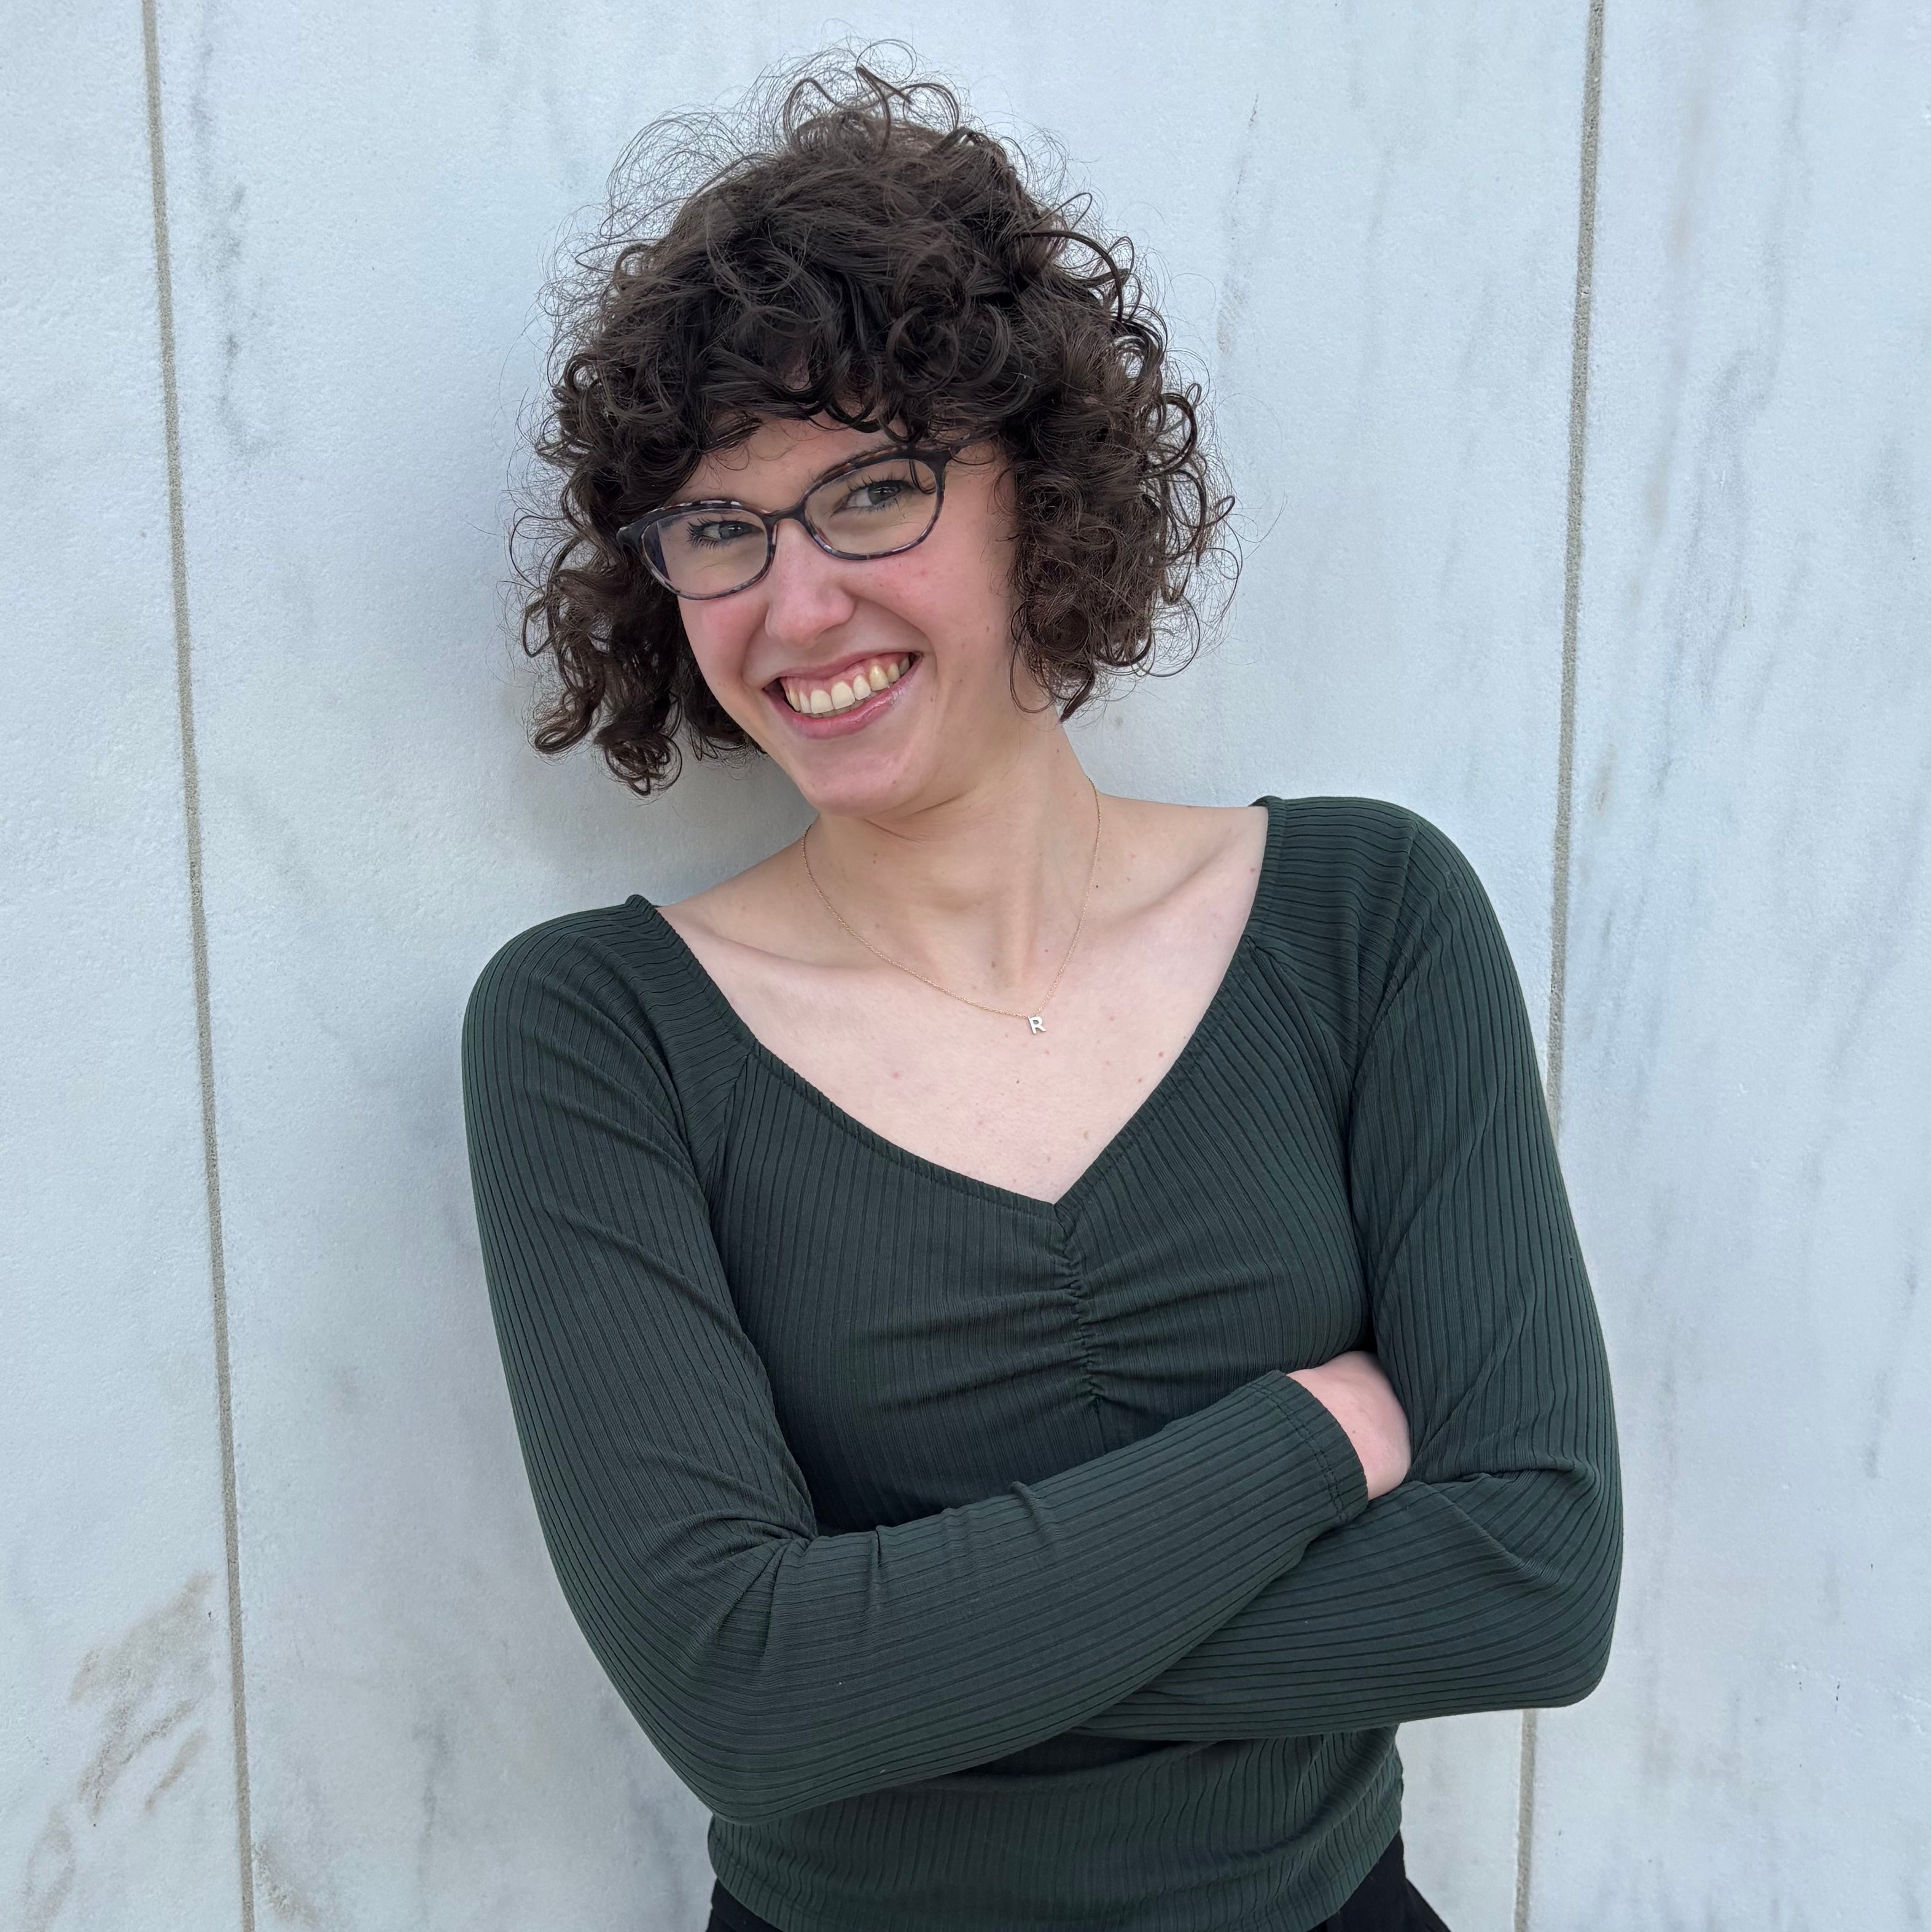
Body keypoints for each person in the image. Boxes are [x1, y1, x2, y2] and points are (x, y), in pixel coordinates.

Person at [461, 57, 1621, 1932]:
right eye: (722, 528)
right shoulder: (596, 1034)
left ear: (1039, 490)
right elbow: (743, 1700)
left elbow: (1535, 1579)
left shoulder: (1366, 918)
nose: (796, 602)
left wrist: (890, 1665)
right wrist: (1309, 1440)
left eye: (872, 489)